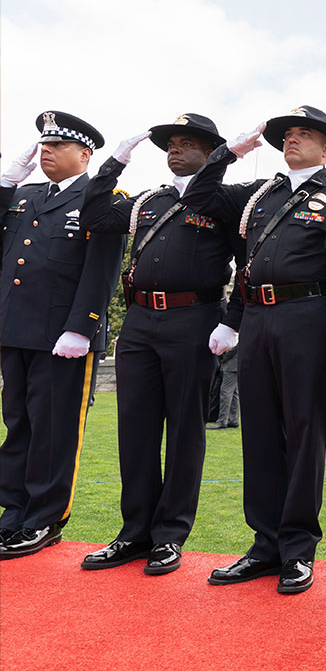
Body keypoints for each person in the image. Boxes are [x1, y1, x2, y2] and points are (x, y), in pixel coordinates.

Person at [179, 105, 326, 592]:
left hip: (310, 315)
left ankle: (298, 547)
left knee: (304, 433)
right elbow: (199, 196)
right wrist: (229, 154)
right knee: (258, 431)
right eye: (287, 135)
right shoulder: (258, 194)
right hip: (258, 318)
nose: (292, 141)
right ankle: (265, 544)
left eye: (304, 135)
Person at [76, 114, 243, 576]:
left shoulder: (223, 201)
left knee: (185, 429)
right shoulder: (149, 200)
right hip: (140, 320)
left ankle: (169, 535)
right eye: (171, 143)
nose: (175, 149)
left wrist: (231, 323)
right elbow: (94, 217)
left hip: (194, 318)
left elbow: (247, 262)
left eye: (187, 143)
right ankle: (134, 533)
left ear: (209, 153)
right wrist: (115, 162)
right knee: (135, 428)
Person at [0, 113, 126, 560]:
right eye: (43, 143)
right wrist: (4, 184)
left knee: (53, 430)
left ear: (84, 154)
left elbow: (101, 272)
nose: (45, 150)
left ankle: (45, 520)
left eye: (56, 144)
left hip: (62, 337)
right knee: (18, 425)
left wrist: (82, 327)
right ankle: (13, 512)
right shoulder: (24, 195)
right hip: (15, 330)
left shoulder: (102, 199)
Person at [208, 345, 240, 429]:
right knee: (234, 394)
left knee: (225, 393)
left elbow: (235, 347)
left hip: (231, 364)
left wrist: (223, 356)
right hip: (232, 364)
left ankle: (222, 421)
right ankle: (233, 420)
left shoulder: (236, 333)